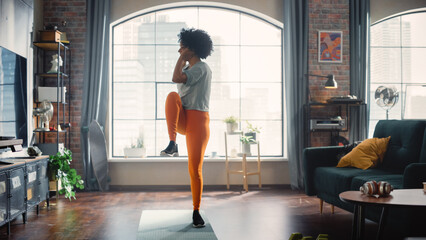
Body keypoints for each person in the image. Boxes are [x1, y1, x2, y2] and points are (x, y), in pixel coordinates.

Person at [160, 28, 213, 228]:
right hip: (184, 118)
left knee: (195, 169)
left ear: (194, 47)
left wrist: (182, 57)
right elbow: (176, 78)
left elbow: (175, 78)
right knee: (172, 96)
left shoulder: (202, 68)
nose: (180, 48)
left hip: (198, 120)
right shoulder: (188, 70)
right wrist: (183, 58)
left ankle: (196, 211)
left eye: (184, 45)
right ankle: (172, 143)